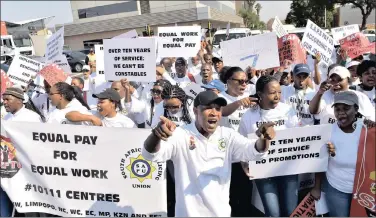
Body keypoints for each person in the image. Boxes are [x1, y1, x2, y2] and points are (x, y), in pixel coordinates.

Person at [142, 90, 276, 216]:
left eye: (218, 108)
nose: (214, 113)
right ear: (195, 111)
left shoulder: (228, 135)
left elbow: (254, 151)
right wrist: (156, 135)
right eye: (208, 108)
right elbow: (149, 155)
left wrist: (264, 139)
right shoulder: (181, 134)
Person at [238, 75, 299, 216]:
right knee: (273, 213)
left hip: (288, 170)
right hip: (264, 173)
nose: (277, 96)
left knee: (291, 212)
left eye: (279, 92)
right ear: (260, 94)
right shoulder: (248, 116)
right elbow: (241, 144)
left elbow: (299, 137)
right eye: (272, 93)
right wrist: (244, 164)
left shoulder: (288, 111)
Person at [310, 91, 368, 216]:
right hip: (335, 188)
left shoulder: (367, 130)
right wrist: (317, 187)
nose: (341, 113)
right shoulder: (328, 131)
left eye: (346, 108)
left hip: (363, 190)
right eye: (337, 109)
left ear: (356, 109)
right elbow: (320, 162)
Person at [309, 65, 375, 124]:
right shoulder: (322, 95)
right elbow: (313, 111)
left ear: (348, 80)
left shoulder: (360, 97)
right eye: (333, 80)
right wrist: (320, 93)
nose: (336, 83)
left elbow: (371, 120)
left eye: (340, 80)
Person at [65, 88, 135, 128]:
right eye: (98, 102)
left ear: (113, 103)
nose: (98, 105)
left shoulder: (126, 123)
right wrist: (91, 118)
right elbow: (69, 115)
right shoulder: (93, 115)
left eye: (101, 102)